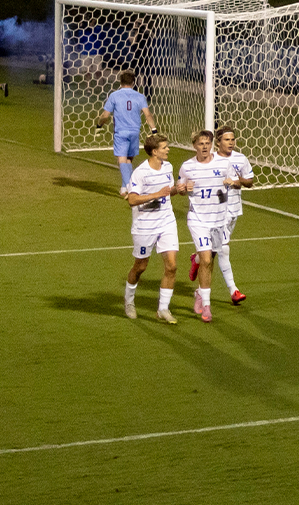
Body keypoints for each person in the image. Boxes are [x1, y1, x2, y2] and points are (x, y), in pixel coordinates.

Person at [122, 133, 185, 323]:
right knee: (141, 266)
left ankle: (163, 309)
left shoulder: (168, 167)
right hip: (145, 226)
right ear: (154, 151)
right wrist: (156, 194)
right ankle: (129, 301)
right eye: (164, 147)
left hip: (166, 221)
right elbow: (132, 200)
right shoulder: (141, 172)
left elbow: (168, 192)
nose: (168, 149)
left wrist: (178, 189)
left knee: (172, 266)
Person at [175, 130, 235, 323]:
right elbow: (179, 188)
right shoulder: (187, 167)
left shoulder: (224, 164)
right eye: (201, 143)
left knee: (209, 260)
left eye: (207, 143)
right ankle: (207, 307)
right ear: (194, 145)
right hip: (198, 220)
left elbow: (236, 184)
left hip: (218, 220)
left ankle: (200, 293)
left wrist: (231, 183)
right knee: (207, 260)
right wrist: (183, 189)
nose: (205, 146)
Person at [206, 125, 256, 305]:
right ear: (218, 142)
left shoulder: (240, 159)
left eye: (233, 139)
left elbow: (249, 182)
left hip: (234, 210)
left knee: (211, 252)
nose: (231, 143)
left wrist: (236, 181)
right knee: (224, 249)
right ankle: (233, 290)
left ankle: (196, 259)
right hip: (217, 212)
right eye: (227, 140)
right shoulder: (210, 161)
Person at [96, 70, 157, 189]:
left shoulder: (114, 95)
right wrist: (154, 130)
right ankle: (125, 187)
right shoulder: (140, 96)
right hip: (135, 131)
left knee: (122, 159)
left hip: (121, 132)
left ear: (120, 82)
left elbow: (105, 115)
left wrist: (99, 125)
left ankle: (129, 186)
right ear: (133, 82)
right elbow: (147, 114)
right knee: (129, 159)